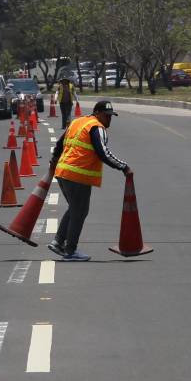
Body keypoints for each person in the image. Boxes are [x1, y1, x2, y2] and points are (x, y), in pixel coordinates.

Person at [48, 100, 131, 261]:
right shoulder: (96, 127)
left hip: (63, 172)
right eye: (106, 116)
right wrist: (123, 167)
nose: (109, 119)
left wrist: (54, 160)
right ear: (97, 113)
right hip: (77, 175)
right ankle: (70, 251)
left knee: (75, 209)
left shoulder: (78, 122)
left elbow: (59, 144)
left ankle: (58, 242)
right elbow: (103, 153)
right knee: (79, 211)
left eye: (111, 116)